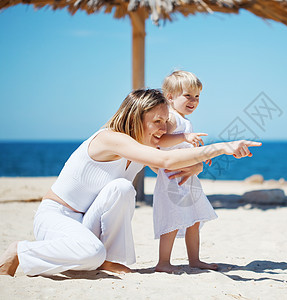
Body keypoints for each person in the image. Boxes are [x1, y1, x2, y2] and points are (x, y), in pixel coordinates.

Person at [0, 89, 261, 277]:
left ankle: (107, 260)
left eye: (165, 121)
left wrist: (199, 164)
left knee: (123, 189)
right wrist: (221, 147)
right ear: (136, 118)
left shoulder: (142, 144)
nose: (163, 128)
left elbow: (168, 164)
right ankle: (20, 251)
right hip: (57, 218)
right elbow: (166, 160)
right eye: (156, 122)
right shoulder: (110, 138)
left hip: (88, 221)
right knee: (91, 253)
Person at [152, 71, 216, 273]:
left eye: (197, 96)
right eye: (187, 95)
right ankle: (163, 262)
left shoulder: (184, 121)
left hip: (188, 179)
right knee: (172, 219)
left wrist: (201, 155)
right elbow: (160, 141)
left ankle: (194, 260)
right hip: (172, 178)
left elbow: (186, 147)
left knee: (194, 220)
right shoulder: (170, 118)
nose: (193, 101)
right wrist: (184, 137)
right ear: (170, 96)